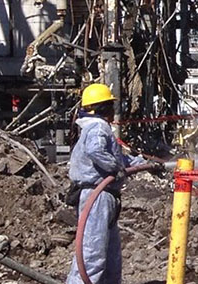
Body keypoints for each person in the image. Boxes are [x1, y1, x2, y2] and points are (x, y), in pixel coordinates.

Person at [68, 83, 153, 284]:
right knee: (93, 253)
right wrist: (116, 168)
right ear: (102, 108)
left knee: (110, 256)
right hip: (96, 195)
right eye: (110, 106)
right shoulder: (98, 127)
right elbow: (96, 151)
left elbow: (116, 158)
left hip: (104, 195)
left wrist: (144, 164)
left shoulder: (94, 127)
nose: (113, 112)